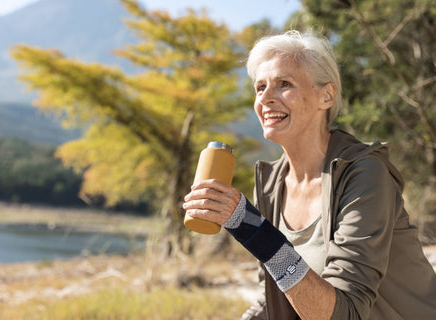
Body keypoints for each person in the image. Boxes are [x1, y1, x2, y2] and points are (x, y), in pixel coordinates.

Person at [183, 30, 436, 320]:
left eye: (284, 84)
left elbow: (346, 313)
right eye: (260, 87)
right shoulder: (271, 184)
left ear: (326, 96)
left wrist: (247, 225)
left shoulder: (364, 174)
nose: (265, 98)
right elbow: (276, 299)